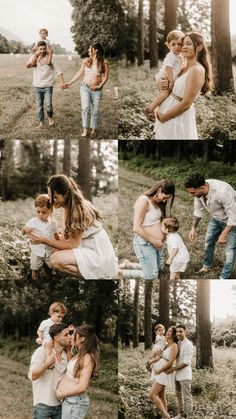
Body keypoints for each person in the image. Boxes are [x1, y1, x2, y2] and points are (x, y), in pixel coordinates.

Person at [29, 174, 117, 279]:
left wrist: (44, 240)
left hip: (96, 250)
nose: (51, 200)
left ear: (66, 194)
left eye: (55, 197)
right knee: (49, 250)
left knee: (55, 260)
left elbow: (72, 244)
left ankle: (100, 274)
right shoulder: (66, 207)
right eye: (50, 196)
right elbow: (65, 239)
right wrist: (41, 238)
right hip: (83, 245)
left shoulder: (77, 211)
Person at [154, 32, 213, 139]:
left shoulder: (196, 70)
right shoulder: (183, 66)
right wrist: (160, 82)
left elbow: (186, 103)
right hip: (166, 112)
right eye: (183, 44)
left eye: (189, 44)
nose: (184, 47)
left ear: (199, 47)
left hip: (175, 118)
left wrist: (164, 117)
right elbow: (169, 85)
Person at [185, 172, 236, 279]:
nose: (191, 195)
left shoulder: (222, 192)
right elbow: (198, 210)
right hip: (216, 219)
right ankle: (206, 266)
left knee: (230, 250)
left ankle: (224, 277)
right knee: (208, 242)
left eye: (193, 192)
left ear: (202, 187)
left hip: (232, 221)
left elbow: (233, 217)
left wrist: (224, 234)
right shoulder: (198, 191)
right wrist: (193, 227)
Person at [62, 43, 109, 138]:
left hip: (97, 90)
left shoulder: (103, 62)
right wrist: (69, 83)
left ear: (96, 50)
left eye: (90, 49)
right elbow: (79, 73)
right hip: (85, 88)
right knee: (85, 108)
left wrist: (100, 85)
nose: (88, 51)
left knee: (95, 111)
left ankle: (94, 129)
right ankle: (85, 130)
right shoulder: (86, 60)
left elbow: (106, 76)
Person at [55, 324, 99, 419]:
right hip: (70, 401)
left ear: (82, 338)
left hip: (74, 403)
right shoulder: (79, 355)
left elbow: (82, 387)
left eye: (74, 335)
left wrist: (62, 394)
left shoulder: (88, 358)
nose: (71, 337)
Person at [28, 323, 71, 419]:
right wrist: (46, 364)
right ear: (56, 337)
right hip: (43, 403)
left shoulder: (66, 355)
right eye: (66, 334)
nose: (70, 337)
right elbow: (32, 376)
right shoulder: (41, 352)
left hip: (61, 404)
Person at [26, 41, 65, 128]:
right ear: (38, 49)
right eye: (40, 49)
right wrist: (35, 56)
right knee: (39, 105)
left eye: (44, 49)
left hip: (48, 85)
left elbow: (59, 71)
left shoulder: (50, 59)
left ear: (46, 48)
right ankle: (41, 122)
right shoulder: (34, 57)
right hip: (37, 85)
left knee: (48, 104)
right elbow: (27, 65)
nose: (42, 51)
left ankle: (50, 117)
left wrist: (62, 82)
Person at [145, 30, 184, 118]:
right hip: (165, 77)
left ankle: (156, 111)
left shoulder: (179, 56)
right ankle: (149, 109)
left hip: (168, 77)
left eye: (179, 44)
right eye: (173, 44)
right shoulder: (171, 56)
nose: (176, 47)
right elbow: (168, 68)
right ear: (168, 45)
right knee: (164, 94)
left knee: (165, 97)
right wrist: (171, 81)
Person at [22, 194, 60, 279]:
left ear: (51, 210)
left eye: (44, 212)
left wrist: (59, 246)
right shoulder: (32, 222)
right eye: (38, 212)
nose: (40, 215)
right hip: (36, 251)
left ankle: (51, 279)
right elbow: (23, 232)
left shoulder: (53, 223)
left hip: (50, 251)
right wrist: (24, 229)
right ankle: (34, 279)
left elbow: (56, 235)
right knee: (34, 269)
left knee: (51, 268)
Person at [149, 326, 178, 419]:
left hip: (163, 371)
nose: (167, 332)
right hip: (159, 369)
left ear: (174, 334)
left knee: (152, 395)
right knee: (161, 395)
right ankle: (164, 417)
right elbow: (157, 355)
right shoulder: (165, 344)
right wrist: (152, 360)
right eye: (168, 331)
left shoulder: (174, 345)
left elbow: (170, 362)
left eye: (170, 331)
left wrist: (159, 370)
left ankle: (167, 416)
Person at [167, 324, 194, 419]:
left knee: (187, 396)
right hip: (177, 374)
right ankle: (181, 414)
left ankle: (188, 416)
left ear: (185, 332)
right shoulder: (178, 343)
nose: (178, 333)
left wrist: (172, 369)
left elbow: (186, 362)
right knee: (178, 394)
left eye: (181, 331)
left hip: (185, 375)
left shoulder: (188, 345)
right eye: (177, 331)